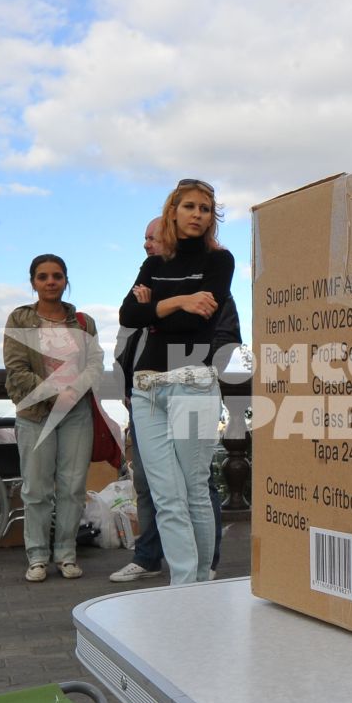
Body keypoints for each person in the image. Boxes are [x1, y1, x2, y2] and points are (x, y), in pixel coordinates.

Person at [119, 180, 233, 584]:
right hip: (147, 387)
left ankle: (200, 581)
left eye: (205, 208)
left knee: (194, 490)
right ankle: (183, 585)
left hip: (193, 383)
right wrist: (182, 300)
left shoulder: (220, 261)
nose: (198, 214)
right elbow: (128, 314)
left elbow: (200, 317)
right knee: (167, 496)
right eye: (189, 206)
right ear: (173, 211)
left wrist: (156, 305)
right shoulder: (153, 264)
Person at [2, 254, 104, 581]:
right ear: (33, 281)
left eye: (57, 276)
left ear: (66, 280)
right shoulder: (20, 320)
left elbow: (95, 363)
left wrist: (74, 391)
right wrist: (54, 392)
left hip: (76, 413)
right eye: (43, 276)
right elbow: (16, 369)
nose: (50, 282)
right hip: (35, 412)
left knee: (72, 486)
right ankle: (37, 557)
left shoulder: (83, 323)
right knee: (36, 488)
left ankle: (66, 554)